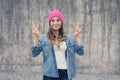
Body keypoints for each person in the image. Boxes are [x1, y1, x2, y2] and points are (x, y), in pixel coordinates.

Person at [31, 10, 84, 80]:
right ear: (50, 23)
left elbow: (81, 52)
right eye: (52, 20)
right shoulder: (44, 38)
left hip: (65, 73)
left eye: (58, 20)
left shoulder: (69, 38)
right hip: (50, 74)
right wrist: (36, 38)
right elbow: (34, 53)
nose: (55, 23)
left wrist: (77, 37)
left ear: (61, 22)